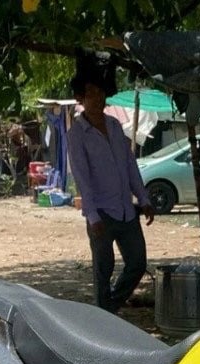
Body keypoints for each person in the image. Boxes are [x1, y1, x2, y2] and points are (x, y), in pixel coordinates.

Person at [66, 75, 155, 313]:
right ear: (80, 99)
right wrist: (92, 216)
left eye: (100, 93)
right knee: (103, 269)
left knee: (137, 263)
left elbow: (130, 165)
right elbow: (82, 177)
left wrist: (143, 199)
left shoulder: (115, 125)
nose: (97, 98)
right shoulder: (77, 134)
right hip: (101, 213)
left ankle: (111, 307)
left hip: (126, 210)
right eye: (91, 94)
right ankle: (104, 314)